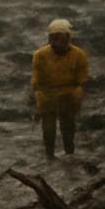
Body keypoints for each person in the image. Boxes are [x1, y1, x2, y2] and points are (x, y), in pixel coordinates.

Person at [31, 18, 89, 158]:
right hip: (48, 96)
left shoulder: (79, 55)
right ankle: (49, 157)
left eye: (60, 37)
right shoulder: (40, 55)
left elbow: (82, 79)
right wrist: (39, 97)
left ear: (68, 37)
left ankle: (70, 155)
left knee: (68, 129)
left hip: (68, 96)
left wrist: (78, 93)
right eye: (53, 37)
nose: (56, 41)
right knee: (49, 131)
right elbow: (36, 80)